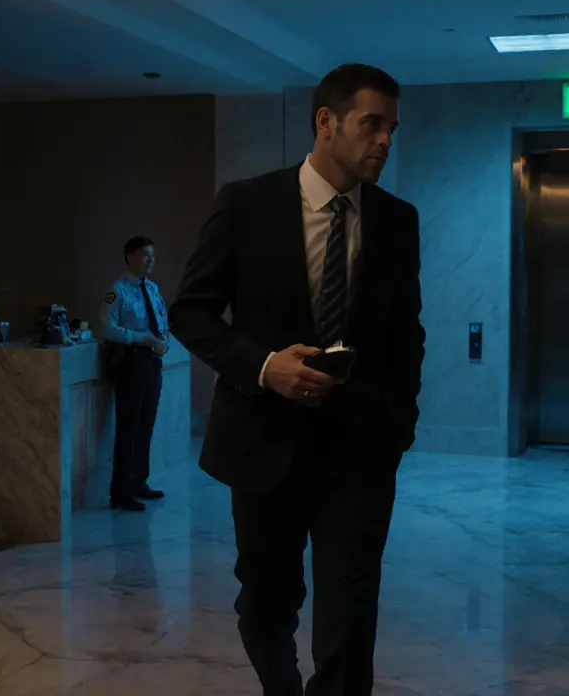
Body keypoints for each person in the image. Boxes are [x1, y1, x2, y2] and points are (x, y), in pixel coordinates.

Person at [169, 63, 425, 695]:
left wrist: (399, 422)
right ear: (325, 122)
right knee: (265, 604)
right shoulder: (246, 203)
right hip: (263, 444)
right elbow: (190, 312)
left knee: (350, 615)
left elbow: (406, 334)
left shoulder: (397, 220)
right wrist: (262, 367)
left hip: (360, 450)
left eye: (392, 128)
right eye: (372, 125)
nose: (386, 141)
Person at [99, 236, 170, 512]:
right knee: (128, 427)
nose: (150, 260)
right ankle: (121, 490)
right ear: (129, 257)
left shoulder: (152, 289)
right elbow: (107, 328)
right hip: (131, 362)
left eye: (152, 255)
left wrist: (161, 341)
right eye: (144, 255)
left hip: (152, 362)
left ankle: (139, 480)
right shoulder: (117, 291)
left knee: (146, 424)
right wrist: (142, 338)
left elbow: (160, 320)